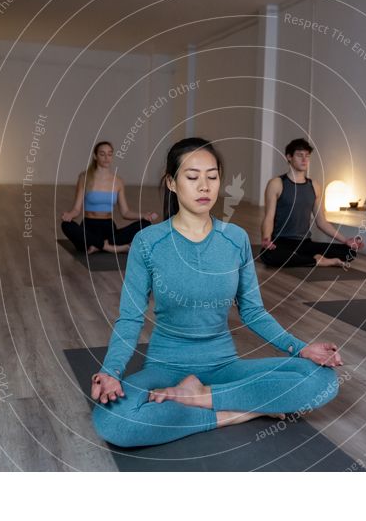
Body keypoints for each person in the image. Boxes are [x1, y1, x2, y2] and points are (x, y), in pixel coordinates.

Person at [90, 138, 342, 448]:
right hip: (164, 368)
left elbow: (252, 311)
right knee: (114, 420)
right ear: (171, 182)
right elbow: (130, 318)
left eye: (212, 176)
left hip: (224, 367)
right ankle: (241, 411)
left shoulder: (234, 239)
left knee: (322, 380)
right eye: (192, 177)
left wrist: (300, 348)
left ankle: (201, 397)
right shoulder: (148, 242)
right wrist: (110, 370)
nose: (204, 186)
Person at [260, 138, 363, 268]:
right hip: (281, 242)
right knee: (268, 255)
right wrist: (266, 238)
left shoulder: (314, 186)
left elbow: (321, 222)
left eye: (307, 156)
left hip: (305, 243)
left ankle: (308, 259)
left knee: (350, 252)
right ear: (289, 157)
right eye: (299, 155)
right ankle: (319, 260)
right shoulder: (276, 184)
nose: (304, 160)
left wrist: (345, 240)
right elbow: (269, 217)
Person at [61, 141, 157, 254]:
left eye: (110, 154)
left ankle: (97, 245)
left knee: (146, 225)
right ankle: (109, 247)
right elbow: (77, 209)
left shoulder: (118, 181)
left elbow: (125, 212)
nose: (106, 157)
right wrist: (69, 215)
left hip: (108, 228)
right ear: (95, 156)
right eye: (102, 154)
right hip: (89, 226)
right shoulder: (84, 178)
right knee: (66, 225)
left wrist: (144, 215)